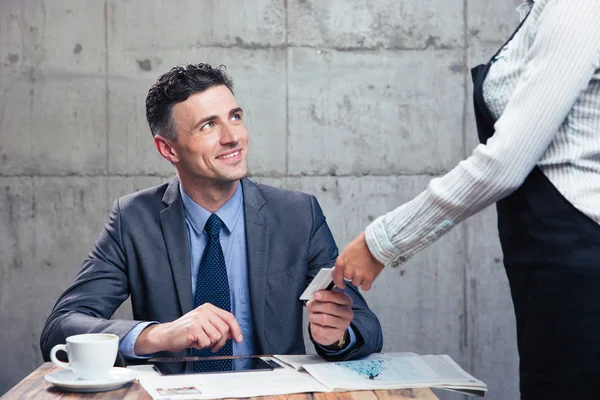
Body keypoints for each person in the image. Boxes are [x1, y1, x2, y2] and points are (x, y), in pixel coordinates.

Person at [333, 0, 600, 398]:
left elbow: (505, 163)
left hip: (578, 259)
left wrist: (383, 241)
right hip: (547, 261)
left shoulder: (577, 8)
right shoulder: (543, 11)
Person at [40, 63, 383, 366]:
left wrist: (335, 335)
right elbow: (60, 328)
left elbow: (365, 325)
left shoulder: (297, 215)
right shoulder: (133, 219)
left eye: (235, 117)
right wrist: (158, 335)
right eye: (208, 126)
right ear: (168, 148)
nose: (233, 137)